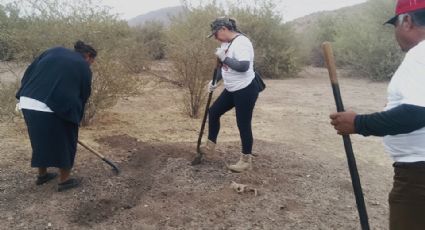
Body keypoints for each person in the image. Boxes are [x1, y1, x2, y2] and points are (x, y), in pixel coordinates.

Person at [329, 0, 425, 229]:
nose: (396, 34)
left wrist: (359, 123)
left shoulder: (419, 54)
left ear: (407, 21)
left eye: (395, 26)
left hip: (418, 176)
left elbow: (416, 113)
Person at [16, 41, 96, 192]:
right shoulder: (82, 65)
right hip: (52, 107)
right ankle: (65, 180)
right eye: (92, 62)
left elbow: (28, 73)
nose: (90, 65)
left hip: (27, 100)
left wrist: (26, 93)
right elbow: (84, 94)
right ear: (89, 56)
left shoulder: (53, 51)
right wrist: (75, 118)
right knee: (66, 142)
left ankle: (42, 175)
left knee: (39, 140)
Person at [200, 17, 260, 173]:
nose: (215, 37)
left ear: (224, 29)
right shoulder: (225, 44)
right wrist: (214, 81)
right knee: (213, 112)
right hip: (231, 88)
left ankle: (246, 160)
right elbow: (222, 67)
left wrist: (224, 57)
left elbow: (243, 66)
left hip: (246, 89)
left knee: (243, 123)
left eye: (216, 34)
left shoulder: (242, 43)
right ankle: (210, 146)